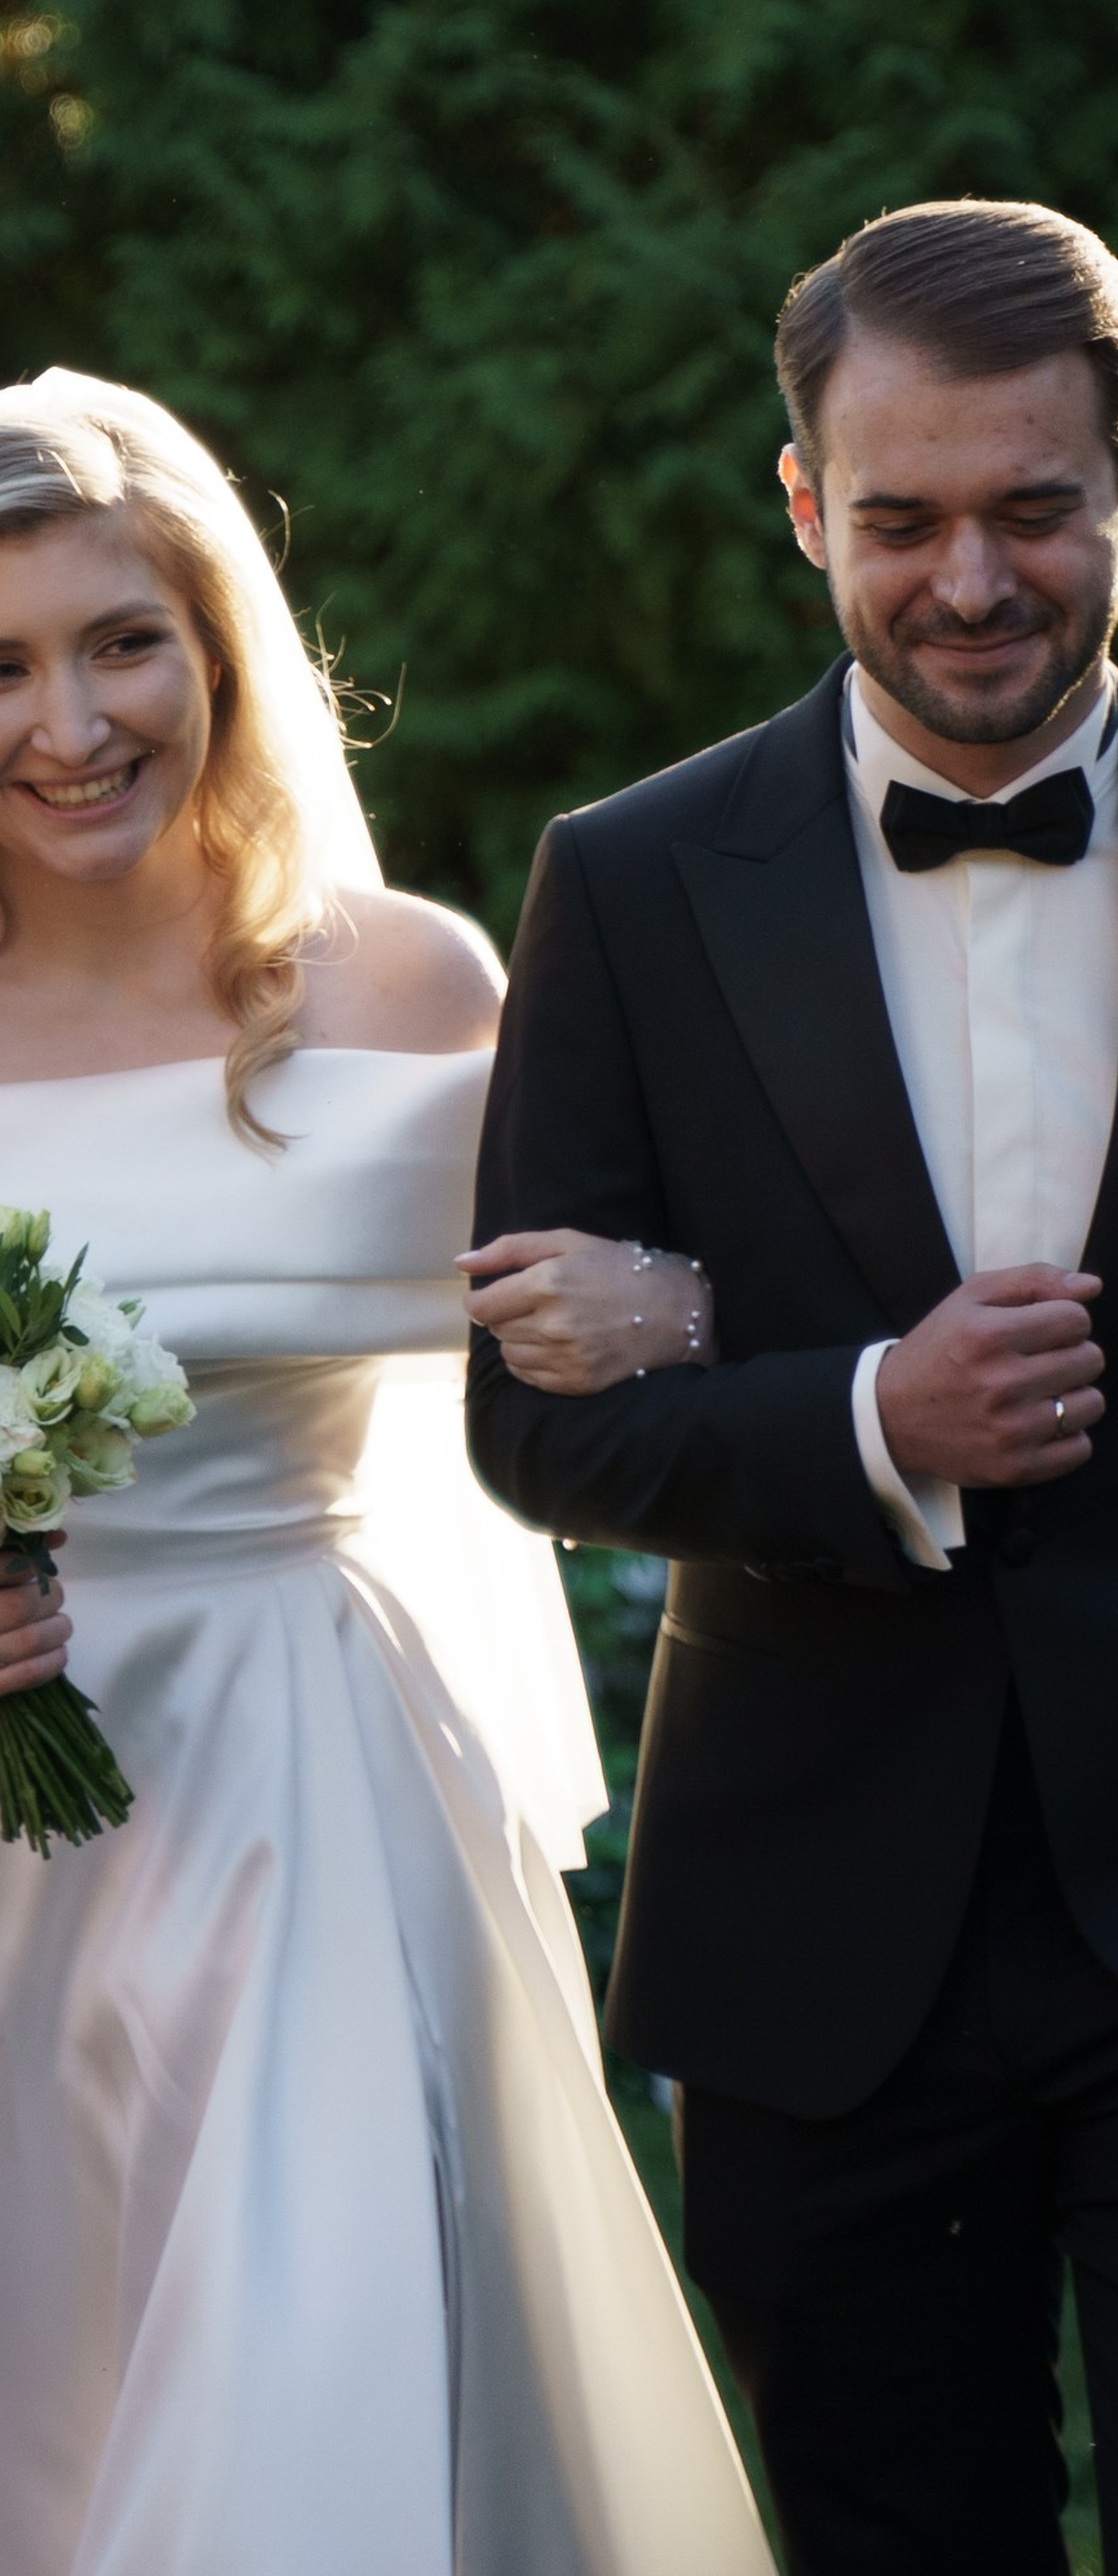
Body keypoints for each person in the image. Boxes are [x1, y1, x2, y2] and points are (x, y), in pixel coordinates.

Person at [0, 374, 768, 2576]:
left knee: (311, 2354)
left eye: (122, 642)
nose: (67, 723)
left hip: (307, 1778)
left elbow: (625, 1324)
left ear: (217, 649)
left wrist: (666, 1311)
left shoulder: (413, 989)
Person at [465, 198, 1118, 2573]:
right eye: (902, 518)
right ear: (800, 505)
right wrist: (866, 1422)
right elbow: (534, 1423)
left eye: (1034, 508)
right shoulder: (631, 885)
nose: (970, 580)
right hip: (826, 1936)